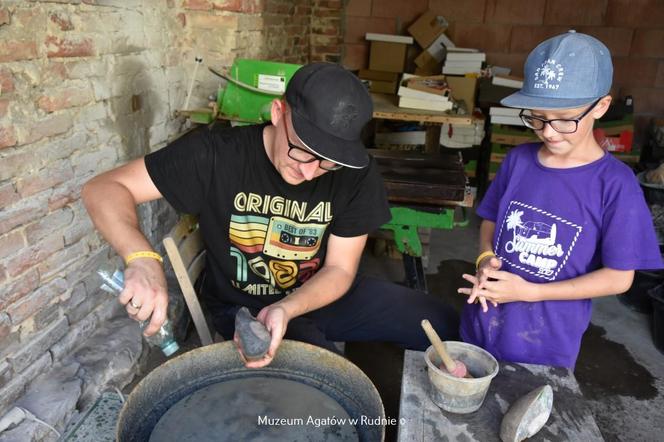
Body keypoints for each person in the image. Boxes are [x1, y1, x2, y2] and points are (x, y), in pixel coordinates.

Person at [82, 62, 459, 368]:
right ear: (279, 112)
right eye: (302, 151)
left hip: (322, 292)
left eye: (327, 162)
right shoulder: (216, 155)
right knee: (318, 385)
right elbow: (104, 188)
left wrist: (287, 307)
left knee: (446, 325)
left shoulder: (354, 173)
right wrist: (142, 259)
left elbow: (340, 270)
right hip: (245, 305)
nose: (310, 172)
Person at [457, 31, 663, 368]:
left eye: (565, 119)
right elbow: (491, 219)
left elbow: (619, 277)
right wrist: (485, 259)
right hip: (481, 324)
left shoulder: (615, 185)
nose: (549, 131)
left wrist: (532, 292)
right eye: (537, 117)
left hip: (544, 345)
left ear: (601, 106)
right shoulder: (519, 160)